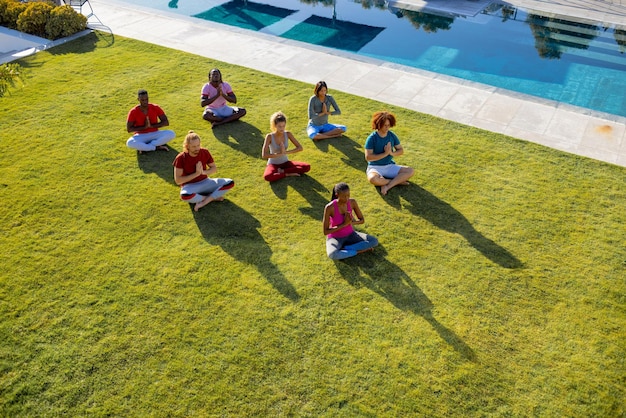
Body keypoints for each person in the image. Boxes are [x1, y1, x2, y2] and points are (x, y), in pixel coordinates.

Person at [173, 130, 234, 211]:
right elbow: (178, 181)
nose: (197, 148)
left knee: (230, 182)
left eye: (198, 145)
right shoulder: (181, 158)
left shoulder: (205, 152)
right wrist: (196, 174)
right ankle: (212, 198)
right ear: (187, 146)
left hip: (205, 182)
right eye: (194, 147)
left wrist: (203, 172)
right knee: (185, 196)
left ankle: (204, 201)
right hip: (190, 186)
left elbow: (214, 168)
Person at [323, 182, 378, 260]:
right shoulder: (329, 207)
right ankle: (358, 251)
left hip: (351, 235)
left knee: (374, 241)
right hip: (335, 238)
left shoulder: (352, 202)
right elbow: (326, 231)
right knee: (332, 254)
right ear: (337, 195)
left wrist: (351, 222)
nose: (346, 199)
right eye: (343, 196)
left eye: (348, 195)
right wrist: (344, 224)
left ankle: (346, 248)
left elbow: (362, 220)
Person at [364, 111, 414, 195]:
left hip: (389, 166)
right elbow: (368, 157)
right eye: (385, 125)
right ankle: (396, 181)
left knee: (410, 171)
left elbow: (400, 150)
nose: (387, 128)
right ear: (379, 125)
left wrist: (391, 153)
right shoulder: (372, 138)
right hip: (375, 167)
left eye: (389, 125)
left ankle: (387, 185)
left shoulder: (391, 135)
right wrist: (384, 154)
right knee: (372, 179)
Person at [262, 111, 311, 182]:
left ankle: (282, 171)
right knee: (268, 176)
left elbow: (300, 148)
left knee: (307, 167)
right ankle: (287, 174)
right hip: (273, 164)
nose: (282, 128)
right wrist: (279, 154)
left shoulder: (288, 134)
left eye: (283, 126)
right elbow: (264, 155)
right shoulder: (269, 136)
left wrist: (286, 152)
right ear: (275, 125)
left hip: (286, 162)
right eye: (279, 126)